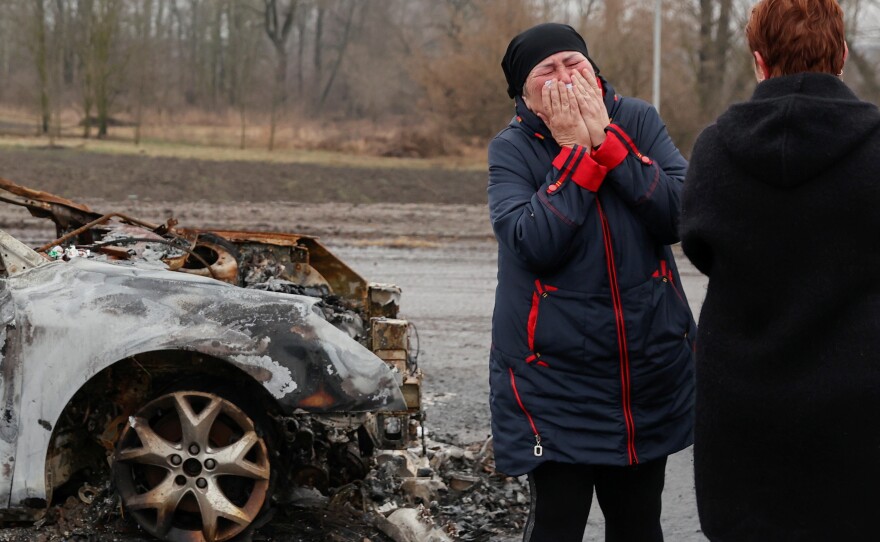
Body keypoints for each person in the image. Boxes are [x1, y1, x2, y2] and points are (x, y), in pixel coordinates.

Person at [488, 23, 696, 541]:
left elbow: (680, 215)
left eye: (573, 63)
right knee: (557, 525)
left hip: (642, 371)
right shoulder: (511, 149)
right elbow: (531, 241)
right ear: (524, 91)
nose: (564, 76)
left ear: (594, 69)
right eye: (547, 70)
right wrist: (576, 157)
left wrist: (609, 145)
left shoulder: (639, 120)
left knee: (638, 523)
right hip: (554, 380)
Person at [679, 0, 879, 539]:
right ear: (840, 54)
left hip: (741, 414)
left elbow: (698, 244)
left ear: (759, 61)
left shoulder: (715, 148)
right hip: (860, 416)